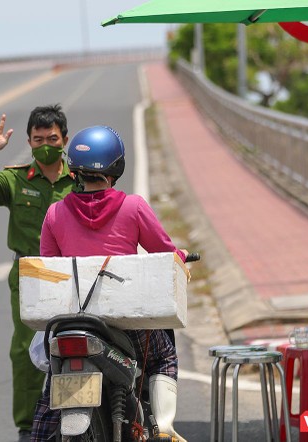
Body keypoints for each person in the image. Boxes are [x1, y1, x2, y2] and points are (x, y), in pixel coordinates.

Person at [30, 125, 188, 442]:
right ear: (116, 167)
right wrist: (182, 255)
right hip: (127, 324)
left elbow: (50, 270)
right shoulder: (134, 207)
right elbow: (166, 254)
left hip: (70, 323)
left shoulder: (54, 213)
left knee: (53, 380)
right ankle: (164, 429)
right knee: (164, 357)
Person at [0, 105, 77, 442]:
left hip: (74, 273)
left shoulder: (81, 179)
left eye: (52, 138)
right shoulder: (16, 179)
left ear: (65, 140)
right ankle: (30, 428)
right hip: (30, 273)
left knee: (78, 344)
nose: (46, 144)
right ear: (29, 142)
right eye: (38, 138)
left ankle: (78, 416)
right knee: (27, 349)